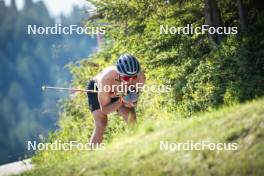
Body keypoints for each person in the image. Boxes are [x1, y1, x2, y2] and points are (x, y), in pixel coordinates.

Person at [87, 54, 145, 144]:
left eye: (133, 77)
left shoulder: (140, 78)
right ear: (119, 74)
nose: (130, 81)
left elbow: (133, 101)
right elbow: (105, 110)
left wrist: (130, 102)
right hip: (97, 88)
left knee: (131, 118)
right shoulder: (106, 79)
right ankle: (92, 155)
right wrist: (121, 100)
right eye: (126, 77)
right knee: (101, 124)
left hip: (119, 92)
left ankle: (137, 143)